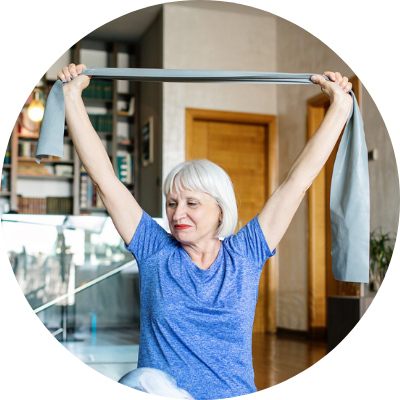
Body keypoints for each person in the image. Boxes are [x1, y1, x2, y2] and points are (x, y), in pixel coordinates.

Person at [57, 64, 353, 399]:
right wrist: (72, 99)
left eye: (192, 203)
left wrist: (339, 108)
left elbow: (296, 184)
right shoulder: (155, 250)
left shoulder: (246, 253)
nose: (176, 214)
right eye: (171, 203)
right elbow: (106, 182)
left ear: (220, 211)